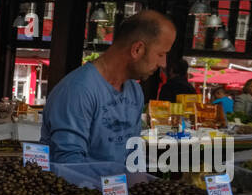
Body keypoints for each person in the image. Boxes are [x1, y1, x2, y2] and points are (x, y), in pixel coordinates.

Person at [41, 10, 175, 164]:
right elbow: (70, 164)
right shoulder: (78, 90)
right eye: (160, 54)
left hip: (116, 187)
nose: (163, 64)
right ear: (137, 49)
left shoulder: (135, 92)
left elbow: (133, 155)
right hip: (81, 187)